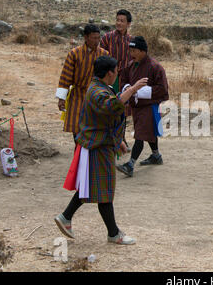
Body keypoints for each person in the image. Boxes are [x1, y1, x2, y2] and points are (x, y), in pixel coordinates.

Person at [54, 55, 148, 244]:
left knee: (91, 186)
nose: (117, 75)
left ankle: (66, 217)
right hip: (96, 145)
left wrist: (118, 141)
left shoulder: (100, 87)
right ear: (109, 73)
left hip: (99, 143)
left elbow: (106, 119)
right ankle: (113, 233)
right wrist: (133, 89)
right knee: (103, 190)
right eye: (116, 71)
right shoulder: (97, 91)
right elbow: (112, 106)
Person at [116, 36, 169, 177]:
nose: (131, 54)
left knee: (140, 134)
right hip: (136, 107)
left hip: (149, 106)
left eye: (134, 51)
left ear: (142, 51)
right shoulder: (131, 65)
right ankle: (156, 156)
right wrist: (129, 88)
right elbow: (124, 80)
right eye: (130, 50)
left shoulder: (155, 67)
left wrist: (140, 91)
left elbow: (163, 89)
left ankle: (130, 164)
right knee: (148, 132)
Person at [56, 24, 109, 140]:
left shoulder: (104, 54)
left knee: (95, 128)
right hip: (78, 95)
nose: (97, 41)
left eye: (98, 38)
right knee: (77, 129)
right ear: (86, 37)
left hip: (97, 96)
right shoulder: (74, 54)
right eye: (94, 38)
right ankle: (79, 154)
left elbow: (109, 77)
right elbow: (66, 77)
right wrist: (61, 98)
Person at [100, 9, 133, 94]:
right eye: (117, 20)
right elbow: (101, 59)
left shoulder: (132, 41)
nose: (119, 23)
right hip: (109, 78)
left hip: (125, 80)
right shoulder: (107, 38)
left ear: (128, 24)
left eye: (122, 21)